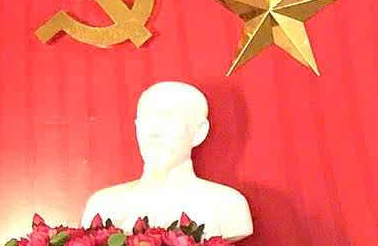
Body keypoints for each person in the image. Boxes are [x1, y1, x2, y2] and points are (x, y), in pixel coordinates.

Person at [80, 80, 254, 238]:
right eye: (146, 120)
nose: (154, 132)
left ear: (199, 132)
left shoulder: (227, 205)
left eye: (169, 119)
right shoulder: (103, 205)